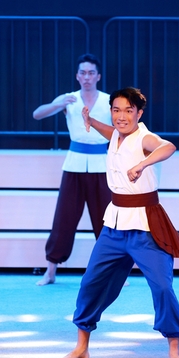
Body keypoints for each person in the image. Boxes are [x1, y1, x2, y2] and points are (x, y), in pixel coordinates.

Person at [59, 87, 179, 358]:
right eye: (116, 110)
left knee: (162, 287)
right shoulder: (117, 134)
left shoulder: (145, 137)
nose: (121, 116)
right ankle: (82, 346)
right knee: (91, 283)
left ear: (139, 113)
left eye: (128, 111)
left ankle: (174, 352)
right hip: (114, 226)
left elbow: (168, 146)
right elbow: (112, 133)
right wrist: (91, 122)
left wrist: (143, 164)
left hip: (146, 226)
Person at [32, 53, 112, 285]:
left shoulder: (109, 100)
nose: (87, 77)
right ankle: (50, 270)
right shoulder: (69, 98)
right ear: (77, 76)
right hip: (74, 165)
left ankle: (115, 270)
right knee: (64, 218)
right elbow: (37, 114)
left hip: (101, 165)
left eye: (91, 73)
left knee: (106, 219)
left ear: (98, 76)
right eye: (83, 73)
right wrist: (59, 104)